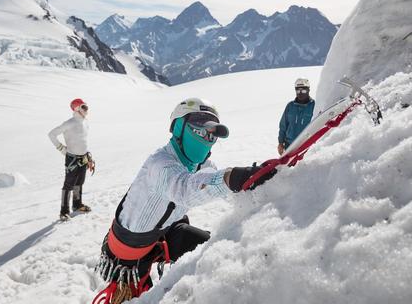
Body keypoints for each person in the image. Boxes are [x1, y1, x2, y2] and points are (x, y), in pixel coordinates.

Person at [93, 98, 276, 304]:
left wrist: (256, 186)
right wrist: (231, 177)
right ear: (179, 127)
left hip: (166, 231)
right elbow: (185, 190)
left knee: (211, 251)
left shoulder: (200, 165)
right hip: (130, 251)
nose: (207, 136)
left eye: (211, 133)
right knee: (143, 298)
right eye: (200, 128)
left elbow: (213, 185)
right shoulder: (160, 164)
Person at [49, 98, 95, 221]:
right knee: (68, 185)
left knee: (80, 182)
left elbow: (83, 140)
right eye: (83, 107)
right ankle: (64, 211)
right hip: (72, 159)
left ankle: (77, 205)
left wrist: (89, 156)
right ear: (76, 109)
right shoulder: (69, 123)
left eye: (86, 107)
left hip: (83, 158)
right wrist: (61, 149)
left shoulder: (85, 122)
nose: (86, 110)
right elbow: (52, 134)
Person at [277, 78, 315, 155]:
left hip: (306, 147)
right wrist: (280, 143)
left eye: (303, 90)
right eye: (298, 90)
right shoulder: (290, 106)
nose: (300, 93)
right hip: (289, 146)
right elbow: (283, 126)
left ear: (308, 90)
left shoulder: (314, 106)